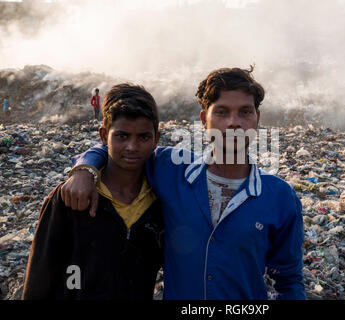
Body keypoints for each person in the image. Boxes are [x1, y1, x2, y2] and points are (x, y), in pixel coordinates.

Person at [61, 66, 306, 300]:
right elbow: (119, 148)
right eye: (221, 112)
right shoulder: (172, 170)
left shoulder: (279, 197)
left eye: (245, 111)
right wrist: (85, 169)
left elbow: (287, 279)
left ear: (257, 119)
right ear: (203, 119)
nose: (234, 122)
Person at [22, 83, 163, 300]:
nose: (132, 147)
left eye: (143, 137)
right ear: (104, 135)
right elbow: (42, 274)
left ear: (157, 139)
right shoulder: (70, 197)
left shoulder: (159, 201)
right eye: (122, 136)